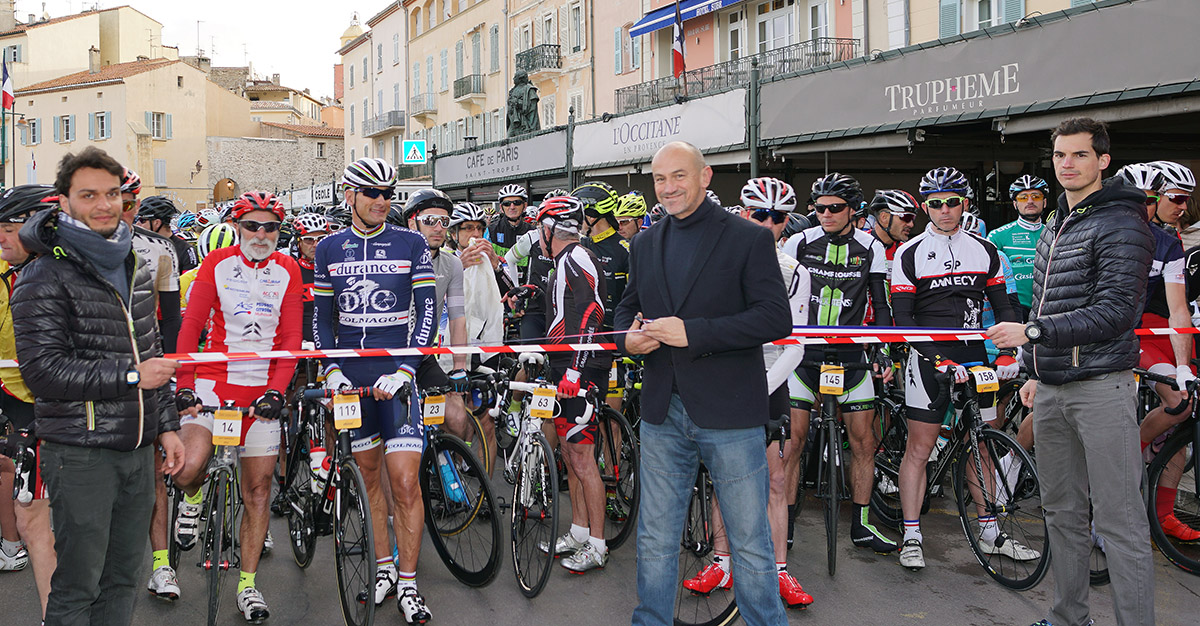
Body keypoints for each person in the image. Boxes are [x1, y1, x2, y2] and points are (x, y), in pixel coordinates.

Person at [986, 118, 1155, 626]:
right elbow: (1045, 299)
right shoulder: (1059, 223)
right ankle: (1067, 618)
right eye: (1060, 155)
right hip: (1054, 387)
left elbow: (1116, 312)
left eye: (1079, 155)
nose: (1067, 163)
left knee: (1121, 522)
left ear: (1103, 161)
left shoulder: (1123, 223)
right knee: (1060, 515)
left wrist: (1032, 335)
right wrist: (1036, 369)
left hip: (1102, 387)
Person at [616, 141, 791, 626]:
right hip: (661, 412)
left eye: (679, 176)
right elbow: (627, 309)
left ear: (705, 176)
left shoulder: (747, 238)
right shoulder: (645, 243)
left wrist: (693, 333)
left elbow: (776, 319)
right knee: (654, 536)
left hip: (730, 413)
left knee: (750, 540)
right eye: (659, 178)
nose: (668, 187)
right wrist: (629, 340)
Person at [12, 146, 184, 626]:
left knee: (122, 580)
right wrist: (131, 378)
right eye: (89, 195)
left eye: (113, 194)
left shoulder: (135, 264)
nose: (105, 205)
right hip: (81, 451)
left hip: (137, 448)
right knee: (77, 586)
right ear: (63, 201)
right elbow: (42, 373)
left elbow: (152, 354)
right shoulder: (41, 274)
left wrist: (167, 426)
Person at [313, 158, 436, 625]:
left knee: (404, 482)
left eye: (389, 194)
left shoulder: (411, 243)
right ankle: (383, 568)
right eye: (372, 194)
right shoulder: (328, 249)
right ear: (350, 196)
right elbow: (322, 321)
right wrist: (332, 373)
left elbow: (427, 313)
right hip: (351, 381)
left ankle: (408, 583)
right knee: (367, 481)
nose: (383, 201)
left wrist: (406, 369)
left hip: (396, 377)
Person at [681, 177, 814, 608]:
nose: (769, 224)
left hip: (769, 379)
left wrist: (759, 389)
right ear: (743, 214)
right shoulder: (717, 263)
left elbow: (795, 347)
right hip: (725, 378)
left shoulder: (796, 272)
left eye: (779, 217)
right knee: (725, 476)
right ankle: (723, 563)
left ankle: (778, 570)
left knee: (775, 479)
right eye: (760, 214)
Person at [170, 191, 301, 623]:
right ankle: (195, 494)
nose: (261, 235)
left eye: (271, 228)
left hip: (262, 389)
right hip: (214, 382)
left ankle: (248, 584)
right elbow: (191, 327)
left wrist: (278, 391)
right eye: (252, 226)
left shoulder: (289, 269)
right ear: (238, 226)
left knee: (258, 491)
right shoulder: (217, 263)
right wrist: (185, 385)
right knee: (188, 468)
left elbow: (290, 340)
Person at [892, 165, 1028, 571]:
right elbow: (903, 322)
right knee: (920, 446)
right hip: (928, 357)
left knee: (983, 439)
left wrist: (1007, 353)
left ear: (965, 204)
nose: (945, 210)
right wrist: (938, 360)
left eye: (952, 202)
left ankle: (989, 530)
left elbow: (1005, 307)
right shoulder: (909, 252)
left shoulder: (985, 249)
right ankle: (912, 534)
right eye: (935, 204)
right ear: (925, 207)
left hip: (974, 354)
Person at [781, 173, 898, 556]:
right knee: (793, 442)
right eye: (819, 208)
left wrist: (882, 349)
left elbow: (880, 305)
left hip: (850, 358)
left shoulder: (870, 247)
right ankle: (785, 523)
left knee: (864, 442)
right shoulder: (799, 241)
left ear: (853, 211)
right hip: (803, 356)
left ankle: (861, 525)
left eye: (834, 208)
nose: (826, 214)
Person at [527, 194, 613, 573]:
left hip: (581, 366)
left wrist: (575, 370)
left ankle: (597, 543)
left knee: (582, 457)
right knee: (569, 451)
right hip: (565, 363)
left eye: (539, 230)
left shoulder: (576, 256)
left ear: (548, 230)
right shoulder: (563, 261)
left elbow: (593, 310)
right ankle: (579, 530)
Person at [1115, 162, 1199, 541]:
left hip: (1159, 329)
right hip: (1126, 333)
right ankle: (1012, 463)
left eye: (1186, 200)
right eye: (1175, 198)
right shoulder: (1098, 229)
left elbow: (1179, 308)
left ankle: (1162, 512)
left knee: (1182, 409)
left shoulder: (1169, 242)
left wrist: (1183, 366)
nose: (1181, 206)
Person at [0, 185, 60, 620]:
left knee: (46, 523)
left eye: (8, 228)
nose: (0, 238)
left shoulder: (66, 273)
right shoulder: (11, 270)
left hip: (64, 411)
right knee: (31, 518)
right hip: (21, 403)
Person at [401, 189, 480, 471]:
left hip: (423, 356)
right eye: (431, 220)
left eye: (445, 222)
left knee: (458, 417)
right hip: (390, 357)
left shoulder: (451, 263)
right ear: (413, 222)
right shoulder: (397, 257)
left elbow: (458, 318)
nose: (439, 228)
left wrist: (460, 367)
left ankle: (448, 470)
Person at [120, 170, 182, 354]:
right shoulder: (74, 247)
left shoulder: (162, 247)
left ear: (137, 207)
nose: (118, 213)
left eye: (126, 205)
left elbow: (171, 316)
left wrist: (171, 365)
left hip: (146, 353)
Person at [987, 175, 1048, 322]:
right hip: (1015, 309)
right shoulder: (997, 236)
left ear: (1044, 202)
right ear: (1015, 204)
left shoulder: (1055, 234)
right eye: (1023, 197)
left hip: (1048, 308)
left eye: (1036, 196)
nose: (1030, 201)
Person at [291, 212, 331, 344]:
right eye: (308, 239)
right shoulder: (290, 271)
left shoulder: (337, 271)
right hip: (301, 347)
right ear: (298, 242)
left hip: (334, 344)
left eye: (321, 238)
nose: (315, 244)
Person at [137, 195, 198, 274]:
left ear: (157, 223)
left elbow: (189, 282)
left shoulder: (186, 250)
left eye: (142, 220)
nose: (137, 224)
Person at [1147, 160, 1194, 233]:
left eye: (1186, 199)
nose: (1184, 207)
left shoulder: (1171, 234)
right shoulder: (1126, 232)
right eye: (1178, 199)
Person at [488, 184, 532, 260]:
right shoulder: (491, 231)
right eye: (507, 204)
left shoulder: (532, 231)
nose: (512, 207)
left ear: (524, 206)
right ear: (501, 207)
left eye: (517, 202)